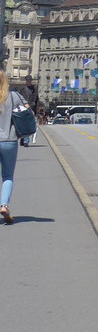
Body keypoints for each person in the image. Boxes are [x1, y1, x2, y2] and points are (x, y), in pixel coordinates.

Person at [0, 71, 31, 224]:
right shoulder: (14, 96)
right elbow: (27, 110)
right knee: (7, 176)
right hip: (9, 140)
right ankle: (4, 205)